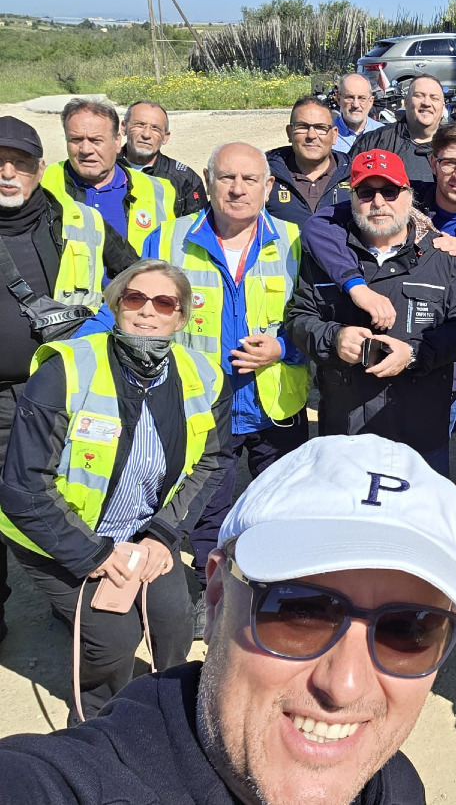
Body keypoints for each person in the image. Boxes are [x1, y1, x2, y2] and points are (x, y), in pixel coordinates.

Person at [0, 434, 456, 805]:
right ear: (218, 594)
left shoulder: (395, 787)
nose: (344, 684)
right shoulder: (75, 782)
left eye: (409, 630)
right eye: (299, 612)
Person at [0, 259, 227, 721]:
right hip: (58, 535)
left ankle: (167, 708)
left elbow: (213, 460)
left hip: (141, 530)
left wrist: (163, 535)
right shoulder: (65, 370)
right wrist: (94, 556)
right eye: (134, 298)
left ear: (180, 317)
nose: (147, 311)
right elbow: (24, 487)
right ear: (116, 304)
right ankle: (97, 722)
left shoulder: (203, 375)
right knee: (113, 639)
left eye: (164, 303)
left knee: (175, 620)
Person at [143, 142, 310, 607]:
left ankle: (275, 591)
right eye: (227, 178)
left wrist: (284, 346)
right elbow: (145, 316)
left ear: (268, 186)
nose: (238, 189)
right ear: (208, 181)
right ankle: (210, 591)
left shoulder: (297, 242)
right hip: (200, 406)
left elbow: (316, 317)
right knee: (205, 508)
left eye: (249, 179)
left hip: (275, 404)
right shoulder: (166, 241)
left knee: (277, 506)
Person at [0, 116, 125, 644]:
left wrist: (100, 324)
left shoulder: (80, 223)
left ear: (40, 168)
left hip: (66, 392)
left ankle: (61, 594)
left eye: (19, 163)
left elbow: (136, 278)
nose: (7, 174)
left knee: (61, 495)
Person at [286, 149, 456, 474]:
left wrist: (415, 354)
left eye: (389, 191)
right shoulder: (327, 259)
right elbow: (299, 319)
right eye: (366, 192)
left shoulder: (443, 256)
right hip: (345, 435)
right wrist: (334, 339)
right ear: (352, 198)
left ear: (408, 195)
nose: (378, 202)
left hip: (420, 440)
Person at [41, 98, 174, 259]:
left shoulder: (160, 190)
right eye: (76, 140)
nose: (86, 149)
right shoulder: (42, 182)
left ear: (117, 141)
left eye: (96, 140)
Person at [265, 96, 352, 228]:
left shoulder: (356, 176)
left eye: (320, 128)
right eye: (302, 127)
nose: (311, 135)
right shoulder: (263, 175)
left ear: (334, 135)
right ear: (289, 132)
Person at [351, 73, 447, 183]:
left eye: (434, 98)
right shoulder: (374, 141)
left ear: (443, 107)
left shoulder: (454, 145)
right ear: (406, 102)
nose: (426, 103)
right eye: (419, 95)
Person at [117, 100, 207, 216]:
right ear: (124, 127)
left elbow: (197, 229)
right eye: (140, 125)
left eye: (155, 128)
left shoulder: (185, 180)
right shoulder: (105, 169)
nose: (146, 135)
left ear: (165, 137)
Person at [332, 73, 384, 154]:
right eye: (350, 98)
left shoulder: (383, 133)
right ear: (339, 99)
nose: (356, 105)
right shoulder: (326, 134)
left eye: (362, 98)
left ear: (371, 102)